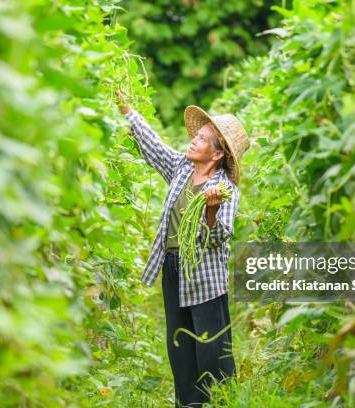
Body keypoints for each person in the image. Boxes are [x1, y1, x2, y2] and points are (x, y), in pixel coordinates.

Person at [115, 91, 250, 407]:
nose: (193, 141)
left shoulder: (225, 190)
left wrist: (211, 212)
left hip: (205, 276)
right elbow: (152, 147)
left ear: (216, 155)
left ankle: (221, 401)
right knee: (179, 346)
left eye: (202, 139)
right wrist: (126, 108)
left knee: (212, 349)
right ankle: (187, 403)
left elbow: (219, 238)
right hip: (173, 267)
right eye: (197, 136)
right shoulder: (180, 167)